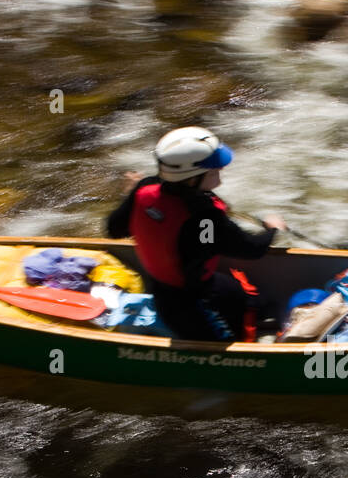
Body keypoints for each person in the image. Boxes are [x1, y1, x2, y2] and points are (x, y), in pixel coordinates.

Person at [105, 126, 287, 341]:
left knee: (252, 300)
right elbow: (252, 249)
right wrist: (273, 229)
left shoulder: (144, 188)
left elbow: (115, 229)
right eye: (214, 171)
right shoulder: (205, 217)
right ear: (192, 180)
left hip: (176, 284)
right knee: (224, 341)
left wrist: (133, 198)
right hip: (189, 300)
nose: (221, 173)